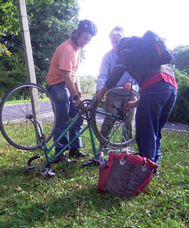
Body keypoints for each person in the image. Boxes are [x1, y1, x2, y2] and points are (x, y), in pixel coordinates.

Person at [96, 32, 177, 166]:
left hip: (154, 87)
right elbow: (156, 84)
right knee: (155, 129)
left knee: (145, 130)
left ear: (121, 48)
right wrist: (136, 102)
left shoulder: (126, 52)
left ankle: (145, 168)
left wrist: (101, 93)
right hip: (171, 86)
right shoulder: (147, 55)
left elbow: (114, 77)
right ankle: (154, 164)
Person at [46, 19, 97, 162]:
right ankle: (59, 153)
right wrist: (76, 98)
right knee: (63, 119)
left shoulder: (77, 49)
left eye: (89, 39)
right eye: (85, 37)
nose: (86, 41)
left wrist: (79, 93)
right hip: (57, 84)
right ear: (77, 34)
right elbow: (66, 77)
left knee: (78, 115)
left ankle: (74, 150)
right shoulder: (67, 49)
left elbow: (75, 73)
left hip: (67, 83)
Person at [96, 27, 138, 143]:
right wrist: (99, 91)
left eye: (117, 42)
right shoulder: (108, 56)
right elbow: (103, 75)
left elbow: (138, 72)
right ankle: (102, 146)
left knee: (129, 121)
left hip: (130, 93)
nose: (115, 45)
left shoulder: (132, 54)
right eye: (112, 42)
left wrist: (131, 81)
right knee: (109, 119)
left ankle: (126, 147)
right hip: (113, 93)